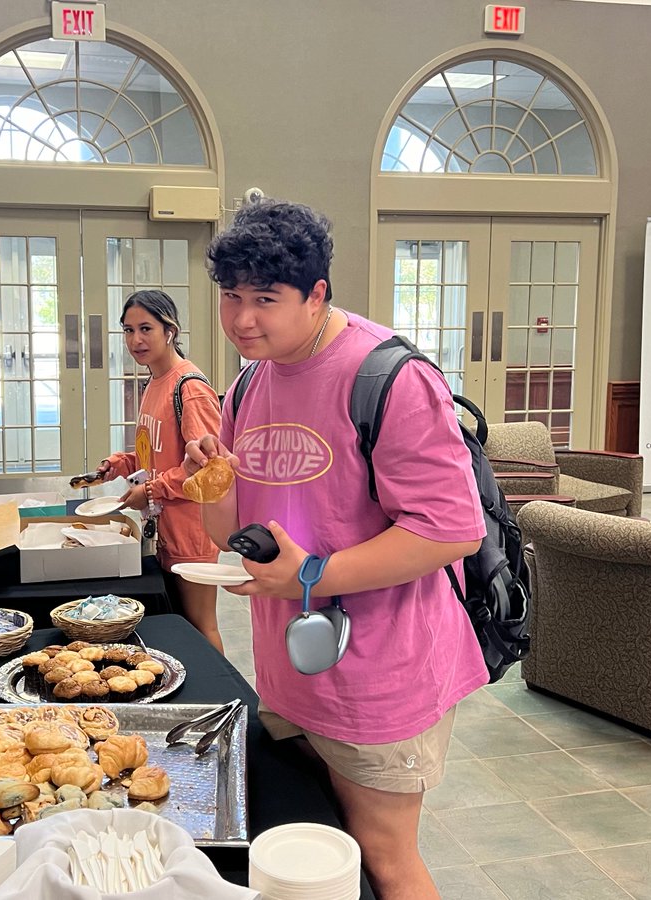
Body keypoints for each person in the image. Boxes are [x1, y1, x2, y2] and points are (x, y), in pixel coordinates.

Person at [183, 200, 488, 900]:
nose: (241, 320)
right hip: (294, 668)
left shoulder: (388, 378)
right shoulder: (250, 382)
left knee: (384, 857)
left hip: (382, 670)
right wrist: (213, 475)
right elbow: (229, 534)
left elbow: (450, 530)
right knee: (323, 844)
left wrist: (312, 574)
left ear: (318, 293)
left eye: (266, 299)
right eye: (231, 296)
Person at [95, 290, 226, 653]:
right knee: (179, 626)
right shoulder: (154, 381)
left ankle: (223, 700)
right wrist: (120, 463)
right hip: (164, 527)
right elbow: (153, 452)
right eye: (127, 330)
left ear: (170, 331)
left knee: (201, 625)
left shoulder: (191, 388)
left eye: (146, 328)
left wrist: (152, 491)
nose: (135, 340)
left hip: (192, 530)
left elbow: (209, 470)